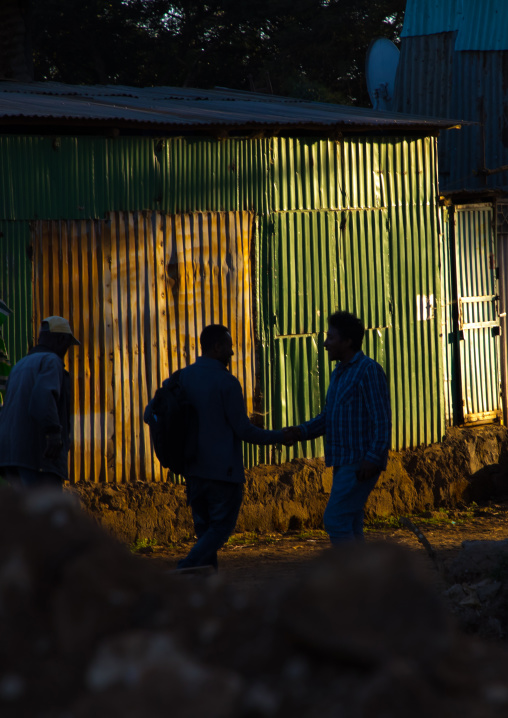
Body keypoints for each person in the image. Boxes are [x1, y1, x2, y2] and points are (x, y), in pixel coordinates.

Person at [174, 324, 291, 571]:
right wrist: (280, 436)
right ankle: (188, 565)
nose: (232, 353)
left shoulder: (182, 377)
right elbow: (245, 431)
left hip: (194, 472)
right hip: (223, 475)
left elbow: (149, 414)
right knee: (220, 530)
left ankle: (206, 589)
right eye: (228, 346)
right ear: (216, 347)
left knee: (205, 533)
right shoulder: (227, 382)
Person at [285, 311, 391, 544]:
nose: (325, 343)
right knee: (350, 522)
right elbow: (328, 418)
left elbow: (382, 420)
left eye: (331, 338)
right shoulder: (340, 373)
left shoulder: (368, 370)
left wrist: (372, 458)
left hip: (359, 461)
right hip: (345, 461)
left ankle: (349, 577)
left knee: (335, 519)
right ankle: (362, 578)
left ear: (348, 341)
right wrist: (299, 431)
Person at [0, 316, 80, 490]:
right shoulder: (51, 361)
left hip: (12, 457)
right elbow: (42, 398)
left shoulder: (20, 365)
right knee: (43, 511)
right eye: (67, 344)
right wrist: (53, 433)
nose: (66, 350)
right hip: (37, 457)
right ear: (60, 339)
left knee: (24, 512)